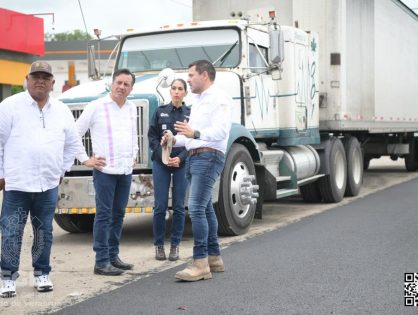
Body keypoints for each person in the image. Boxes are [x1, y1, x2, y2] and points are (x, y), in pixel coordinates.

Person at [0, 61, 83, 297]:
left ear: (52, 83)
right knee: (11, 230)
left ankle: (41, 274)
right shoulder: (9, 106)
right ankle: (8, 277)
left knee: (44, 231)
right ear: (26, 80)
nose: (40, 81)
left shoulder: (62, 110)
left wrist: (60, 171)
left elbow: (72, 145)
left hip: (47, 184)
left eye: (45, 77)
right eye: (35, 76)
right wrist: (1, 174)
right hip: (17, 183)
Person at [161, 60, 232, 281]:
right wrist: (174, 139)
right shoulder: (199, 101)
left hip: (208, 156)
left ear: (204, 75)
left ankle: (200, 263)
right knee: (205, 208)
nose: (188, 80)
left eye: (191, 75)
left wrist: (194, 134)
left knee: (196, 208)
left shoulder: (218, 98)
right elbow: (192, 136)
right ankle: (214, 258)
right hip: (197, 155)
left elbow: (220, 131)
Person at [75, 69, 138, 276]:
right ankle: (101, 261)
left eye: (126, 84)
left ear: (131, 88)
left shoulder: (131, 107)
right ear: (112, 83)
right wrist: (86, 160)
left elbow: (133, 133)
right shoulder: (96, 106)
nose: (122, 87)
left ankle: (113, 256)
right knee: (104, 215)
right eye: (119, 82)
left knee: (119, 214)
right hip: (105, 171)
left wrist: (134, 154)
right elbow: (75, 134)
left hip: (125, 170)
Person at [148, 79, 190, 261]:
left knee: (179, 207)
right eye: (174, 88)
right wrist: (163, 156)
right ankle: (159, 246)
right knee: (160, 206)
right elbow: (152, 137)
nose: (176, 92)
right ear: (170, 91)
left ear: (185, 93)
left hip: (181, 163)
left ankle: (175, 246)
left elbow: (193, 142)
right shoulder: (160, 111)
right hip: (161, 163)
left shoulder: (191, 113)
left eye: (180, 89)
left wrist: (179, 159)